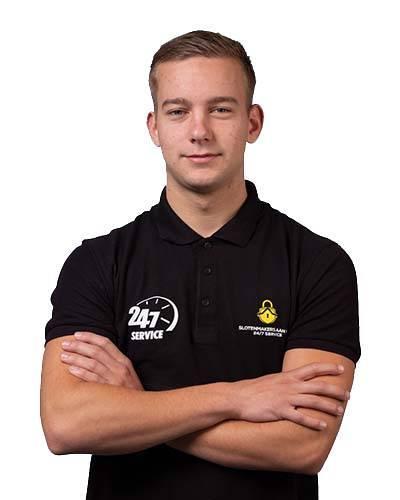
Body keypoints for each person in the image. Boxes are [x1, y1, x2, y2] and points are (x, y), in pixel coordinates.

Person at [40, 30, 360, 500]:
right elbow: (67, 424)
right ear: (154, 127)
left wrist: (138, 404)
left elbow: (302, 444)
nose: (199, 131)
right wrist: (237, 398)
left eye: (221, 109)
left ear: (252, 122)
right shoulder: (96, 263)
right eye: (178, 111)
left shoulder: (318, 263)